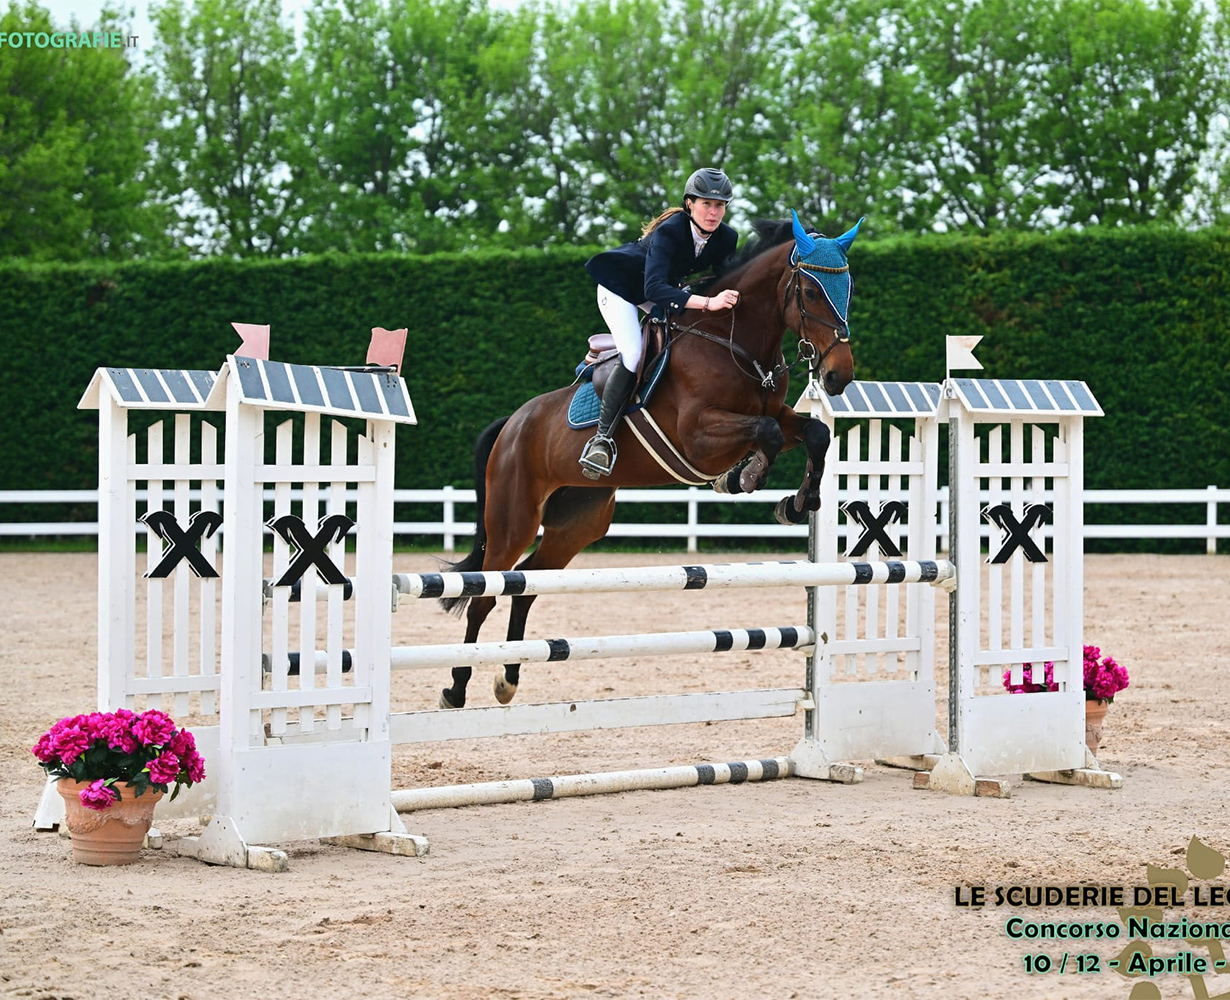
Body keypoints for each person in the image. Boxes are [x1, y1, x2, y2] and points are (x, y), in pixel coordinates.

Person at [579, 166, 741, 478]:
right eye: (706, 203)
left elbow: (721, 282)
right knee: (633, 353)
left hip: (661, 290)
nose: (714, 211)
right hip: (620, 289)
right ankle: (602, 439)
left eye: (720, 205)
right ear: (689, 204)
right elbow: (654, 289)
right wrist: (707, 302)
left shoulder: (726, 238)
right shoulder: (670, 231)